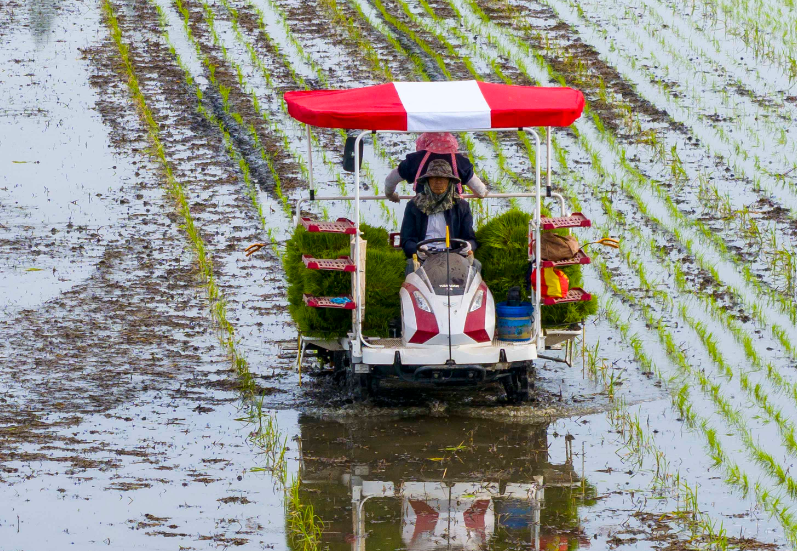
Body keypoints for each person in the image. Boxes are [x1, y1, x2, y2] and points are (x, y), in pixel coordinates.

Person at [400, 159, 481, 275]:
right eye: (433, 178)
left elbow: (470, 238)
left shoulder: (461, 206)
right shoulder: (414, 206)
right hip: (424, 257)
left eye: (443, 179)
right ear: (427, 182)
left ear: (449, 182)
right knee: (410, 266)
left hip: (454, 255)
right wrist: (417, 250)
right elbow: (406, 240)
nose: (438, 182)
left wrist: (469, 246)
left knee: (476, 265)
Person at [384, 132, 488, 202]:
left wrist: (390, 195)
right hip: (453, 210)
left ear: (423, 142)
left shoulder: (415, 160)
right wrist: (483, 193)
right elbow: (479, 190)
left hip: (422, 209)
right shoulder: (460, 161)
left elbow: (390, 179)